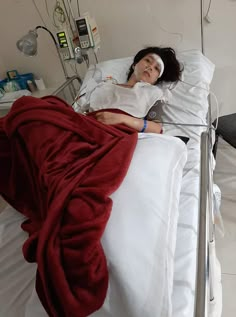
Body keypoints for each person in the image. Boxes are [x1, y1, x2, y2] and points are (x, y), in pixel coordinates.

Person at [81, 46, 183, 134]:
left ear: (156, 79)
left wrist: (122, 119)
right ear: (134, 65)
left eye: (157, 68)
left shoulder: (153, 93)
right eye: (148, 60)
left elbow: (156, 128)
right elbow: (83, 112)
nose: (150, 67)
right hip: (87, 126)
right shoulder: (104, 86)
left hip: (115, 134)